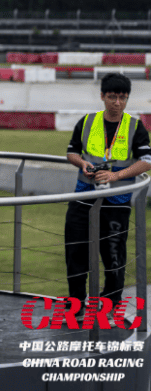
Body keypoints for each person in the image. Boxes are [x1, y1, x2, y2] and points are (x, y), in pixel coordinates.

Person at [63, 73, 151, 310]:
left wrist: (115, 176)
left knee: (113, 255)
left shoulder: (135, 126)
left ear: (127, 98)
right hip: (83, 196)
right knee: (75, 251)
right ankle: (76, 302)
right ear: (102, 96)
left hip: (117, 201)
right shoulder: (87, 121)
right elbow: (72, 152)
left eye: (123, 98)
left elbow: (147, 161)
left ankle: (111, 304)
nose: (117, 103)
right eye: (112, 97)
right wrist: (82, 163)